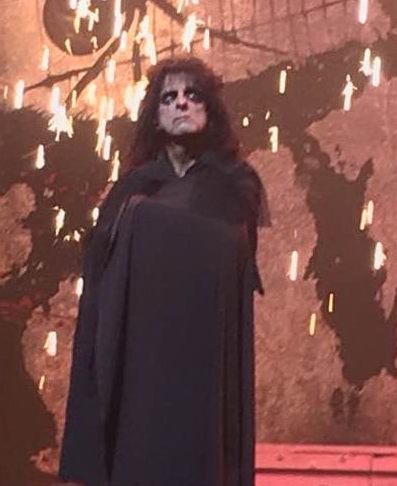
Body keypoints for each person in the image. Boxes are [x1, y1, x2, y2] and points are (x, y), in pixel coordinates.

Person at [59, 56, 269, 486]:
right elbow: (100, 264)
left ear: (210, 110)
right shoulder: (133, 187)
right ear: (156, 115)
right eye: (169, 97)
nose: (181, 104)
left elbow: (228, 249)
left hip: (203, 352)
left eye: (193, 95)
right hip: (142, 351)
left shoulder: (234, 183)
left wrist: (146, 221)